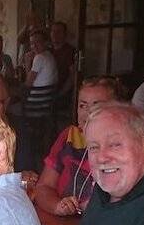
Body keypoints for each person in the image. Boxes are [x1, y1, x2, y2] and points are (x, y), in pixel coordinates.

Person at [34, 76, 122, 217]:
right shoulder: (69, 136)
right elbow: (44, 187)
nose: (88, 112)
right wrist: (57, 207)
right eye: (82, 105)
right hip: (63, 222)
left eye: (96, 106)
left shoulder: (124, 147)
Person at [49, 21, 76, 99]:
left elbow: (73, 76)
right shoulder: (47, 50)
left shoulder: (70, 51)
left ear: (65, 34)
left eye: (58, 31)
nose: (55, 34)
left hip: (61, 94)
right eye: (53, 31)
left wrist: (61, 93)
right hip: (46, 91)